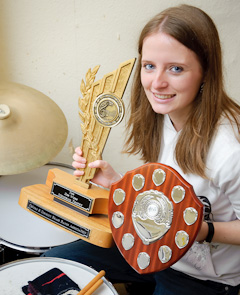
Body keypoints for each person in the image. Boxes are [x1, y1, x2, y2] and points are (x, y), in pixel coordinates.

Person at [43, 4, 240, 295]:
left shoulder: (229, 149)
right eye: (149, 66)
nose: (157, 83)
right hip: (148, 242)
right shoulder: (164, 114)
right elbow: (162, 199)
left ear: (205, 71)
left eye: (176, 68)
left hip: (203, 277)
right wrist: (115, 183)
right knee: (55, 267)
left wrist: (200, 230)